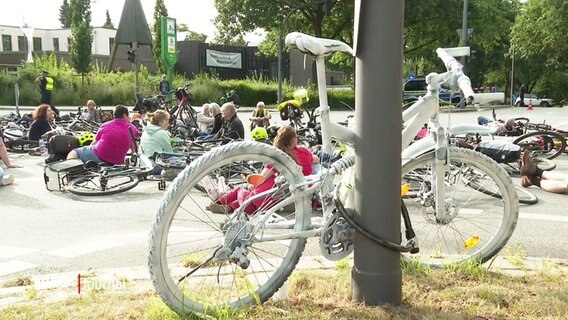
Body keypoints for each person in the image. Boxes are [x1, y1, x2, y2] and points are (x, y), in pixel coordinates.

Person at [207, 125, 319, 214]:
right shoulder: (304, 152)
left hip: (270, 198)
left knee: (241, 191)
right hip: (295, 198)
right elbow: (316, 159)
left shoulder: (277, 156)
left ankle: (219, 202)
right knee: (252, 203)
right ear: (294, 139)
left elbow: (262, 178)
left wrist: (252, 185)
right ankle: (229, 207)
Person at [67, 105, 138, 165]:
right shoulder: (132, 128)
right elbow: (134, 148)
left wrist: (88, 149)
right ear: (125, 115)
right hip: (117, 161)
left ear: (114, 115)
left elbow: (94, 142)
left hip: (99, 156)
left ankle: (70, 178)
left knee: (73, 153)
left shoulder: (105, 125)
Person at [140, 110, 173, 175]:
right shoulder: (162, 133)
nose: (168, 124)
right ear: (161, 122)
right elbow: (170, 153)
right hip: (156, 166)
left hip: (144, 165)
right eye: (167, 121)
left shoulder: (145, 132)